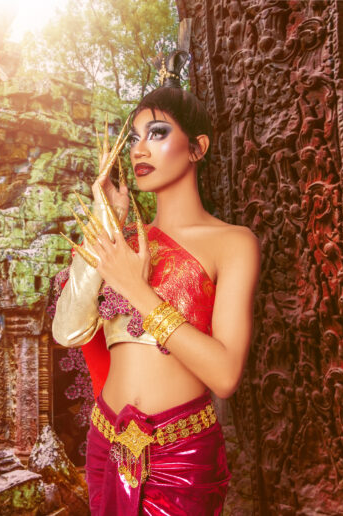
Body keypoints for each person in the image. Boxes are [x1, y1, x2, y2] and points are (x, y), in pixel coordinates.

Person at [50, 49, 261, 516]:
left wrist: (138, 291)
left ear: (197, 148)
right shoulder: (121, 241)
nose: (139, 149)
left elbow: (225, 375)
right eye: (135, 139)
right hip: (107, 444)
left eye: (158, 134)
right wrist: (107, 221)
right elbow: (67, 332)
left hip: (181, 457)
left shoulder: (233, 243)